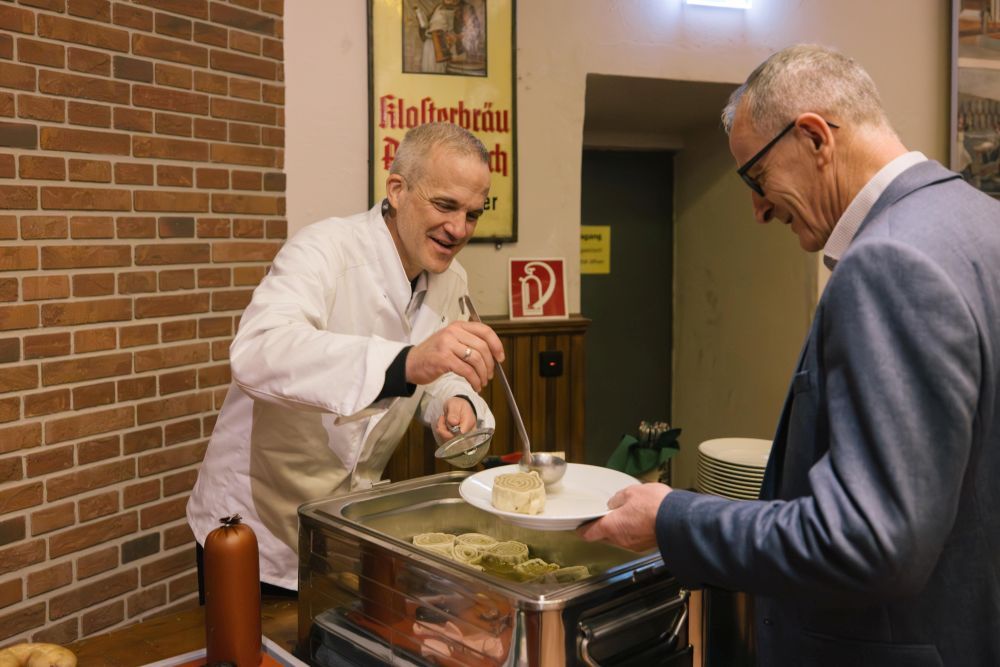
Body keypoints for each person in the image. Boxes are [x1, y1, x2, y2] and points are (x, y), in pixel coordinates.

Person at [580, 44, 1000, 665]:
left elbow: (866, 541)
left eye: (755, 179)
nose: (757, 211)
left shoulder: (890, 262)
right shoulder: (980, 219)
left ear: (813, 138)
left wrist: (674, 518)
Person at [187, 122, 504, 596]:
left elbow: (430, 371)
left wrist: (454, 401)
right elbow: (258, 352)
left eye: (473, 214)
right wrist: (404, 363)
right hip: (255, 526)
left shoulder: (451, 278)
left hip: (345, 526)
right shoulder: (323, 250)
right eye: (445, 205)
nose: (459, 229)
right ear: (397, 189)